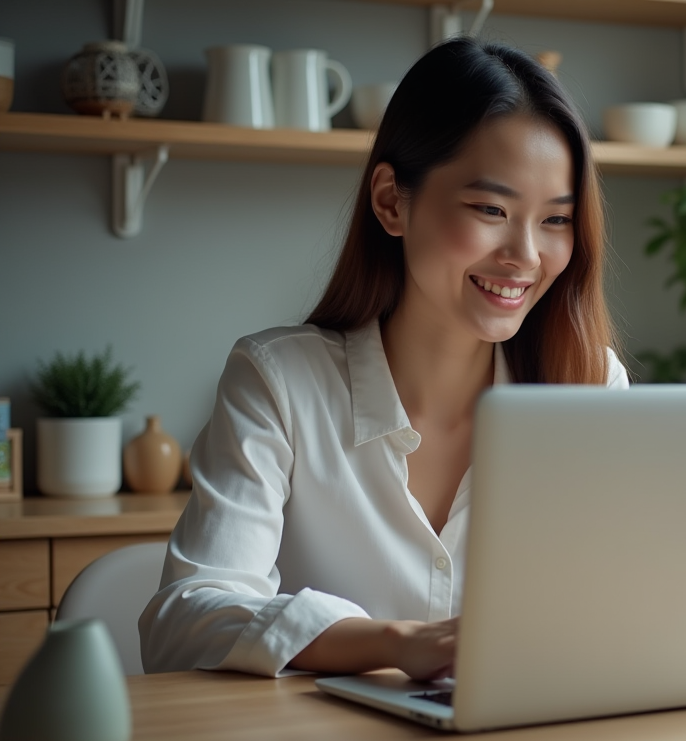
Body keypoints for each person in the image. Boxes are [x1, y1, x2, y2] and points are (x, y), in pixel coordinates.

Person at [139, 38, 628, 679]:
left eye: (555, 221)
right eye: (491, 209)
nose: (526, 255)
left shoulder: (590, 386)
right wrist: (395, 644)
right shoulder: (279, 382)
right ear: (392, 201)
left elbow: (622, 610)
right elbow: (184, 618)